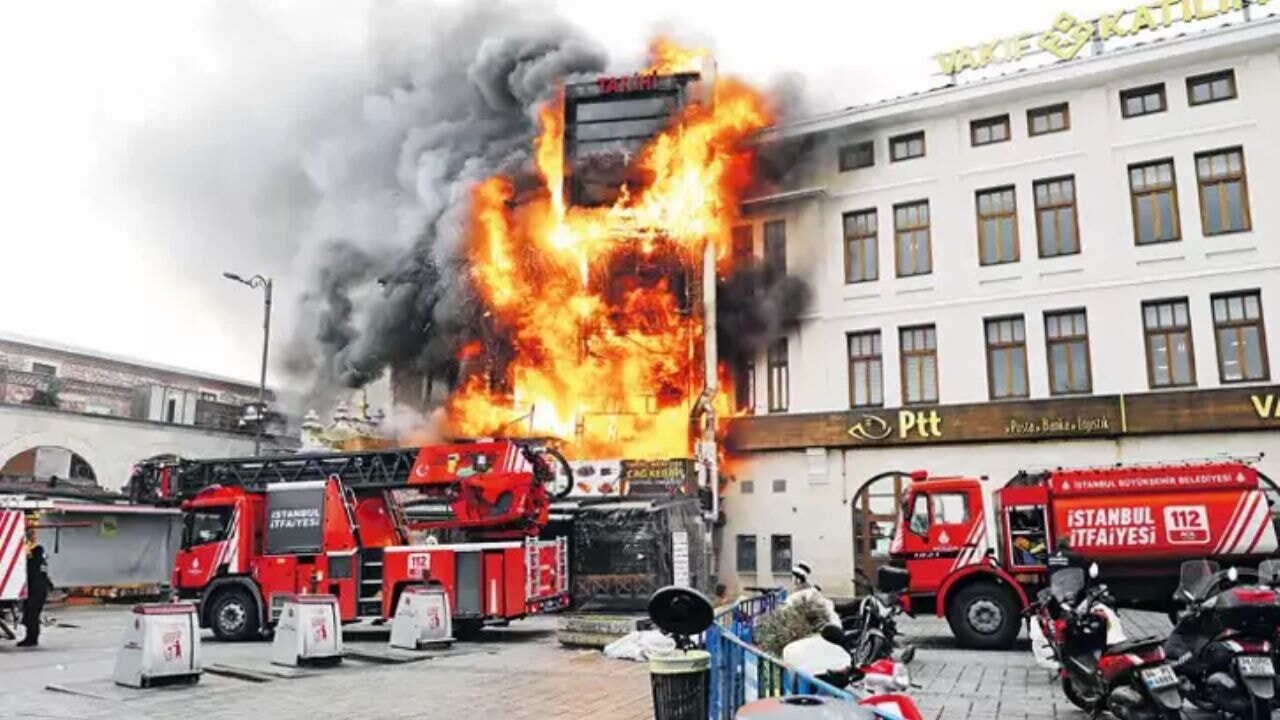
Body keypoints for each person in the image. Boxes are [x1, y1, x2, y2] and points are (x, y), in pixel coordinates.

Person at [18, 544, 52, 648]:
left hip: (35, 592)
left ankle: (31, 639)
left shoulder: (34, 562)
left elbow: (28, 573)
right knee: (32, 615)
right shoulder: (42, 563)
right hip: (40, 591)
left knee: (31, 615)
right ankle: (32, 637)